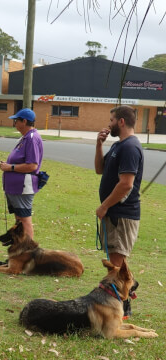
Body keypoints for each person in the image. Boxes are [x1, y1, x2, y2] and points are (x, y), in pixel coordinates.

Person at [95, 105, 144, 317]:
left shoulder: (130, 147)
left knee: (115, 265)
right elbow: (99, 169)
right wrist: (99, 145)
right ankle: (126, 300)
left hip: (121, 215)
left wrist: (105, 205)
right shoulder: (118, 146)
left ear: (121, 122)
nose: (109, 124)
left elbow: (126, 184)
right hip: (114, 214)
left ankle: (118, 311)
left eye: (112, 120)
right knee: (118, 264)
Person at [0, 108, 43, 240]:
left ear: (24, 121)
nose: (14, 123)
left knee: (24, 220)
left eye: (16, 120)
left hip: (23, 187)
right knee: (19, 221)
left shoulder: (31, 138)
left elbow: (32, 165)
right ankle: (20, 252)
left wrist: (10, 167)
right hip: (16, 188)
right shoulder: (25, 137)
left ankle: (29, 253)